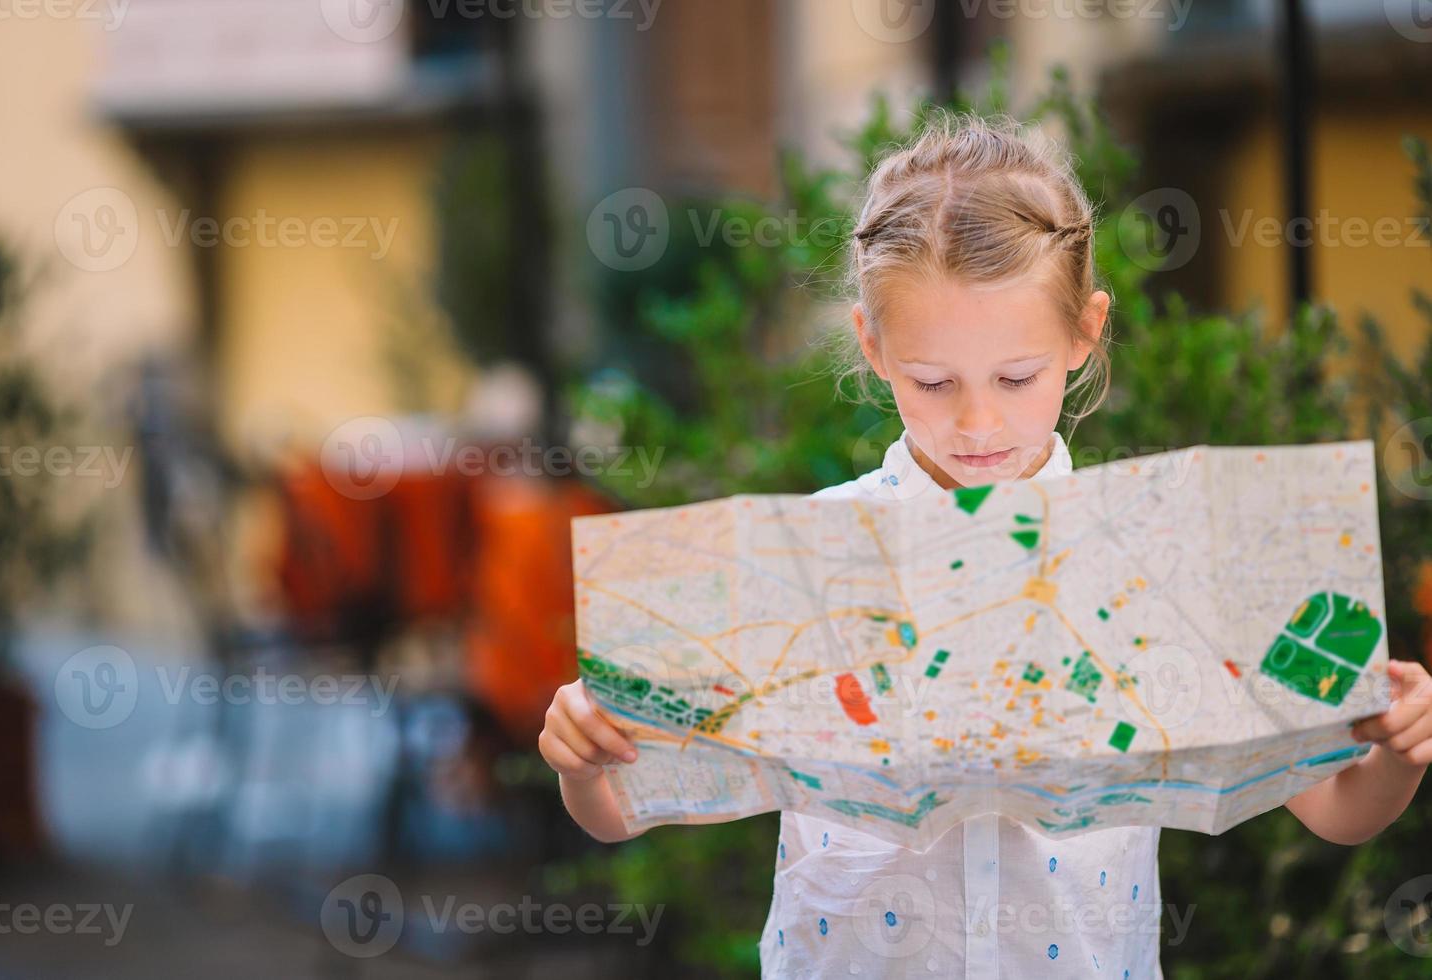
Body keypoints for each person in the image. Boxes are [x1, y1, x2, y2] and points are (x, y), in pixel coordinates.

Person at [538, 111, 1432, 978]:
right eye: (933, 381)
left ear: (1085, 331)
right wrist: (587, 760)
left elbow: (1340, 809)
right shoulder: (806, 557)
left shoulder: (1160, 560)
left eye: (1016, 376)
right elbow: (627, 807)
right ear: (873, 345)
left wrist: (1394, 750)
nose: (978, 421)